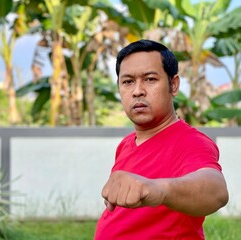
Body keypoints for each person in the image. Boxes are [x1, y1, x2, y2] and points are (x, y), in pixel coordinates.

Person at [94, 39, 229, 240]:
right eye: (128, 81)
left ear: (173, 85)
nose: (137, 90)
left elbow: (216, 190)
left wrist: (157, 189)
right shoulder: (126, 144)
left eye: (150, 79)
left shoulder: (191, 142)